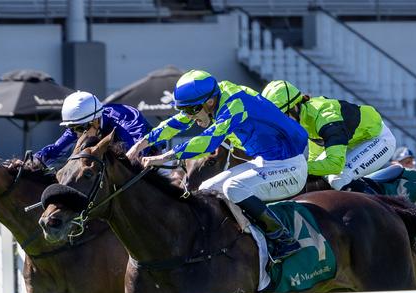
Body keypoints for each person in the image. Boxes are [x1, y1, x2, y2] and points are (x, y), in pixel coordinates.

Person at [127, 69, 308, 260]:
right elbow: (175, 123)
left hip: (290, 167)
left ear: (209, 102)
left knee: (234, 187)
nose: (188, 116)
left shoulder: (234, 104)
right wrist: (138, 146)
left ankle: (284, 239)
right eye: (184, 110)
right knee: (206, 189)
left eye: (190, 110)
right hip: (266, 162)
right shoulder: (211, 99)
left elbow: (208, 141)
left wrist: (162, 158)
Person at [260, 80, 396, 192]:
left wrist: (295, 167)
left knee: (339, 179)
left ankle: (381, 214)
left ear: (294, 107)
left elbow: (335, 164)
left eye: (282, 117)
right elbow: (317, 152)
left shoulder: (326, 118)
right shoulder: (305, 117)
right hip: (351, 141)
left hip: (377, 139)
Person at [34, 91, 160, 168]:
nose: (78, 134)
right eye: (71, 128)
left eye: (79, 128)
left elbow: (136, 154)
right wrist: (31, 163)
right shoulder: (82, 124)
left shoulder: (125, 120)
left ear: (96, 120)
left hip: (153, 158)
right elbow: (55, 149)